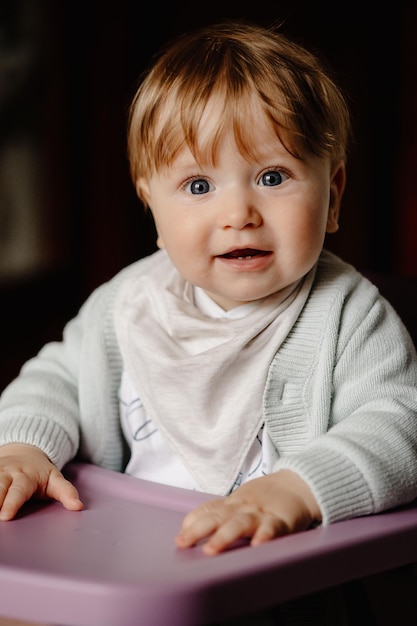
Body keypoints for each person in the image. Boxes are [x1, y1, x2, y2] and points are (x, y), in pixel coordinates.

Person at [0, 20, 416, 562]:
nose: (239, 214)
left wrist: (298, 489)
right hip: (126, 561)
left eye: (272, 177)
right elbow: (56, 378)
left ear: (332, 194)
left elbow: (401, 425)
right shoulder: (128, 306)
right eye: (199, 186)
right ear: (152, 207)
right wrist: (23, 446)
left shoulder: (350, 316)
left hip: (272, 579)